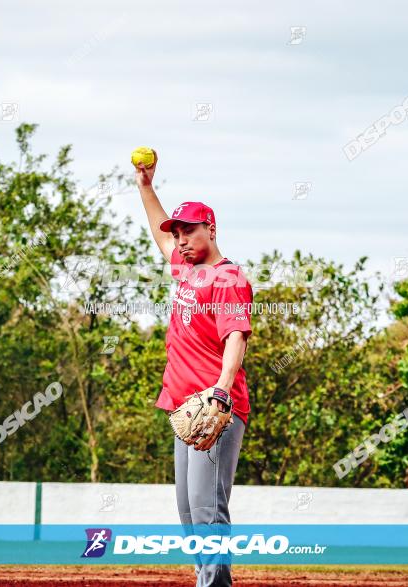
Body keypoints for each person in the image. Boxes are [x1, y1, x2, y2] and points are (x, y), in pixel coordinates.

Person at [135, 151, 253, 587]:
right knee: (188, 510)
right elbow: (159, 234)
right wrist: (146, 186)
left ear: (212, 229)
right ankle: (207, 579)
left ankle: (214, 585)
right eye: (179, 232)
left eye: (190, 231)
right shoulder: (185, 267)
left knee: (207, 506)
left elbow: (236, 336)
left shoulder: (228, 278)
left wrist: (221, 389)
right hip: (183, 410)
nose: (181, 239)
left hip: (215, 407)